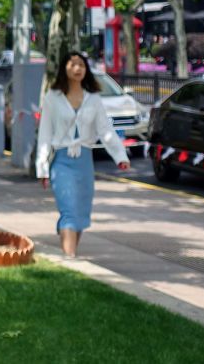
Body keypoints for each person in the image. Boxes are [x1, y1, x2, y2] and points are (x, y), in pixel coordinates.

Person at [36, 51, 130, 258]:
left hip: (85, 163)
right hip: (61, 162)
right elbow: (44, 135)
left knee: (80, 214)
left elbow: (105, 130)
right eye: (73, 64)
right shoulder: (53, 97)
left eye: (81, 65)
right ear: (64, 68)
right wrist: (42, 167)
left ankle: (70, 252)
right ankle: (70, 260)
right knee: (69, 210)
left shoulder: (93, 99)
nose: (77, 69)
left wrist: (120, 156)